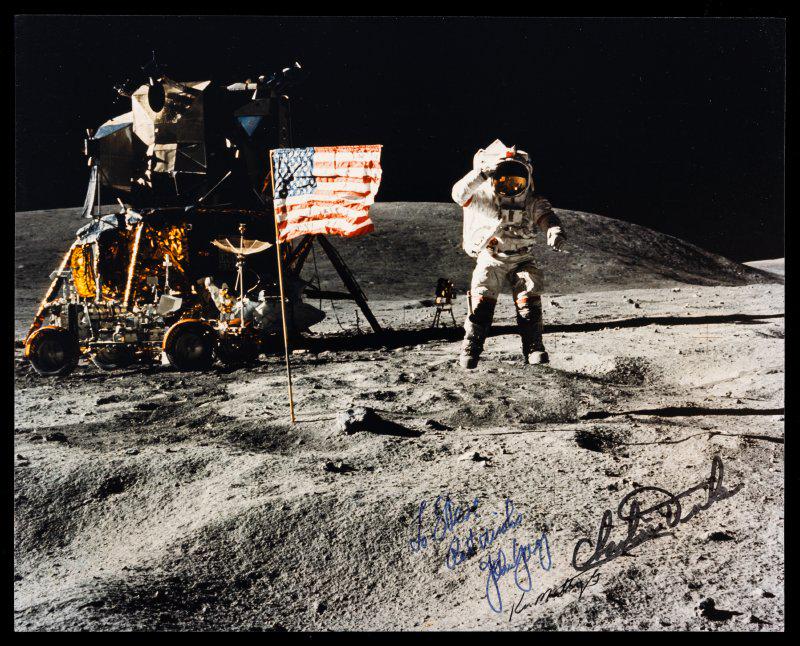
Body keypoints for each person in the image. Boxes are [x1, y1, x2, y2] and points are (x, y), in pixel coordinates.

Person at [452, 139, 566, 369]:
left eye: (517, 179)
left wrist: (554, 230)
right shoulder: (485, 199)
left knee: (528, 301)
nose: (512, 184)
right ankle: (471, 348)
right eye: (506, 179)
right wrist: (481, 175)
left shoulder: (532, 202)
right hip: (492, 256)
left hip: (522, 257)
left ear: (527, 177)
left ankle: (534, 347)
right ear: (496, 178)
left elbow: (547, 216)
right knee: (482, 301)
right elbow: (459, 195)